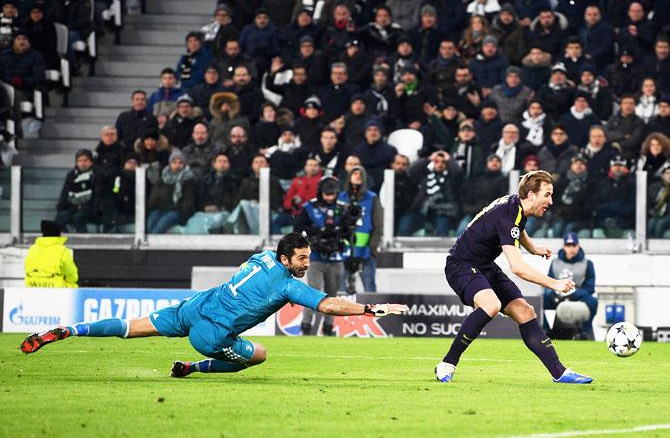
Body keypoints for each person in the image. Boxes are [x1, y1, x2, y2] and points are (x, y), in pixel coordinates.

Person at [21, 232, 409, 376]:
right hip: (211, 333)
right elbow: (327, 306)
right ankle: (191, 367)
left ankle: (69, 330)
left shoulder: (263, 256)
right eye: (302, 259)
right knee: (259, 354)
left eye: (309, 257)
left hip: (195, 306)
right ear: (287, 259)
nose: (307, 265)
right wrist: (372, 310)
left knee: (130, 327)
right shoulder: (288, 287)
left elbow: (249, 273)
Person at [435, 170, 593, 384]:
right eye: (547, 194)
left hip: (485, 265)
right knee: (491, 305)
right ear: (531, 195)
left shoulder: (516, 207)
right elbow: (517, 267)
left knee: (525, 311)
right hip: (461, 264)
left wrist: (534, 248)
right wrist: (555, 284)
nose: (551, 201)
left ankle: (559, 372)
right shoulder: (508, 215)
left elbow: (517, 229)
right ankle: (447, 363)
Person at [294, 177, 350, 336]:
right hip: (316, 256)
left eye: (332, 194)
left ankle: (328, 326)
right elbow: (298, 228)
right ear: (321, 192)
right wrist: (319, 231)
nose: (329, 197)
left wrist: (339, 231)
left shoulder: (343, 209)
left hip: (336, 257)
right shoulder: (310, 207)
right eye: (327, 194)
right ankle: (306, 325)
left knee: (332, 294)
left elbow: (349, 231)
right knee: (312, 292)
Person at [543, 232, 597, 340]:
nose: (571, 248)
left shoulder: (587, 263)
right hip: (557, 294)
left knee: (593, 301)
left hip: (578, 295)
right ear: (564, 246)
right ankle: (545, 330)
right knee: (543, 297)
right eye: (568, 245)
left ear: (578, 246)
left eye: (574, 245)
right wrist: (557, 291)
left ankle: (584, 332)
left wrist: (572, 293)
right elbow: (549, 281)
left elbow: (590, 287)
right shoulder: (555, 262)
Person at [338, 165, 382, 293]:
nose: (357, 176)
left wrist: (372, 248)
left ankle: (374, 313)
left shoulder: (372, 198)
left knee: (369, 289)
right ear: (349, 177)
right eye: (354, 173)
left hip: (366, 251)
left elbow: (378, 226)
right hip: (344, 251)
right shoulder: (341, 198)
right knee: (339, 290)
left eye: (360, 174)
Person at [146, 149, 196, 234]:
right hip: (160, 210)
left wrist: (182, 214)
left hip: (176, 211)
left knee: (159, 228)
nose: (177, 165)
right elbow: (154, 198)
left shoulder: (188, 180)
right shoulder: (162, 179)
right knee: (148, 226)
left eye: (180, 163)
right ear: (170, 164)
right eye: (174, 162)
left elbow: (188, 201)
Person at [24, 220, 78, 288]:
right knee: (73, 286)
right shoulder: (62, 251)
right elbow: (72, 275)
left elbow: (27, 268)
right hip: (55, 288)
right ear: (59, 234)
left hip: (32, 286)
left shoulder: (32, 249)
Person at [55, 149, 99, 233]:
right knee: (60, 217)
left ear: (91, 161)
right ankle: (68, 241)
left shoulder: (96, 174)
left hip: (90, 209)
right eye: (79, 161)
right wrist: (60, 208)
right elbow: (65, 193)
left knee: (78, 218)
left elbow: (98, 194)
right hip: (74, 208)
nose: (82, 163)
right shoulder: (71, 175)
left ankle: (84, 242)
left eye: (85, 160)